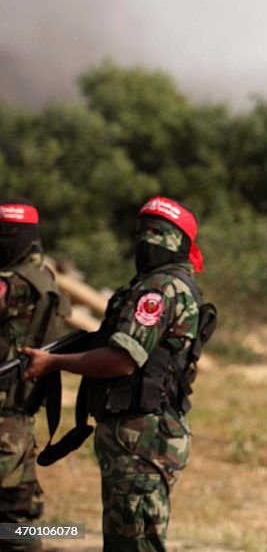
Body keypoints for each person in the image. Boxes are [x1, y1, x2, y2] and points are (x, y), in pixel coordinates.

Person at [22, 196, 206, 552]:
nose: (146, 239)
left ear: (179, 241)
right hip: (137, 434)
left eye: (158, 232)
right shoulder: (159, 283)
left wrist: (54, 363)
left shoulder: (160, 288)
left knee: (134, 542)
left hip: (143, 435)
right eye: (143, 230)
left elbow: (122, 360)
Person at [0, 199, 68, 551]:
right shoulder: (44, 276)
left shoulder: (15, 283)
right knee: (14, 519)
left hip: (6, 415)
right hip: (19, 415)